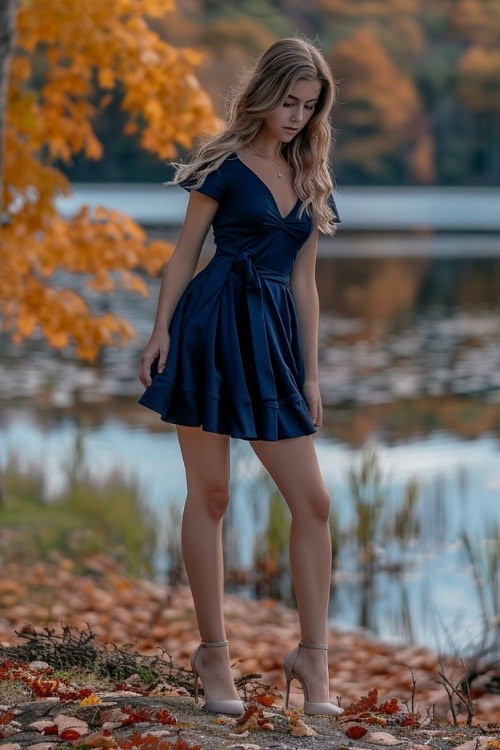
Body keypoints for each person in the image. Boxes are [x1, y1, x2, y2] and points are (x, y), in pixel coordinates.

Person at [138, 35, 344, 718]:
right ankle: (213, 654)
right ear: (264, 94)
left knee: (312, 502)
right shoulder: (224, 166)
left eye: (308, 107)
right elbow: (181, 257)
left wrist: (312, 375)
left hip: (274, 346)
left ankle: (313, 662)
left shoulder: (312, 176)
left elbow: (307, 286)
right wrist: (162, 328)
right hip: (208, 330)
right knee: (215, 495)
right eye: (289, 101)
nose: (296, 117)